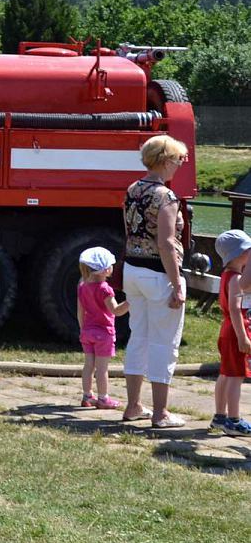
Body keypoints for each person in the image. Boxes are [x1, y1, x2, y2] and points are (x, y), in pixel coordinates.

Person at [119, 134, 190, 428]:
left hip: (132, 269)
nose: (180, 165)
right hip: (158, 273)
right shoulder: (166, 197)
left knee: (139, 336)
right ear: (165, 160)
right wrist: (176, 283)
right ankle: (161, 413)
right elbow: (166, 242)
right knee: (165, 342)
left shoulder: (133, 189)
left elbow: (129, 230)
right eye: (178, 159)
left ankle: (133, 405)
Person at [76, 246, 129, 410]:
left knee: (88, 365)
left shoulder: (82, 286)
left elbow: (80, 311)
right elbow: (116, 311)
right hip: (103, 333)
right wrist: (131, 302)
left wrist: (82, 329)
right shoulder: (105, 289)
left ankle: (87, 396)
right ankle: (103, 398)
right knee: (102, 369)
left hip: (87, 332)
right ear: (105, 269)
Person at [211, 230, 251, 436]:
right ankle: (233, 420)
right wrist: (242, 336)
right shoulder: (236, 279)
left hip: (226, 330)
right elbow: (235, 308)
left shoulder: (226, 275)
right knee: (236, 376)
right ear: (239, 254)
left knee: (225, 374)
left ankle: (219, 416)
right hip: (236, 331)